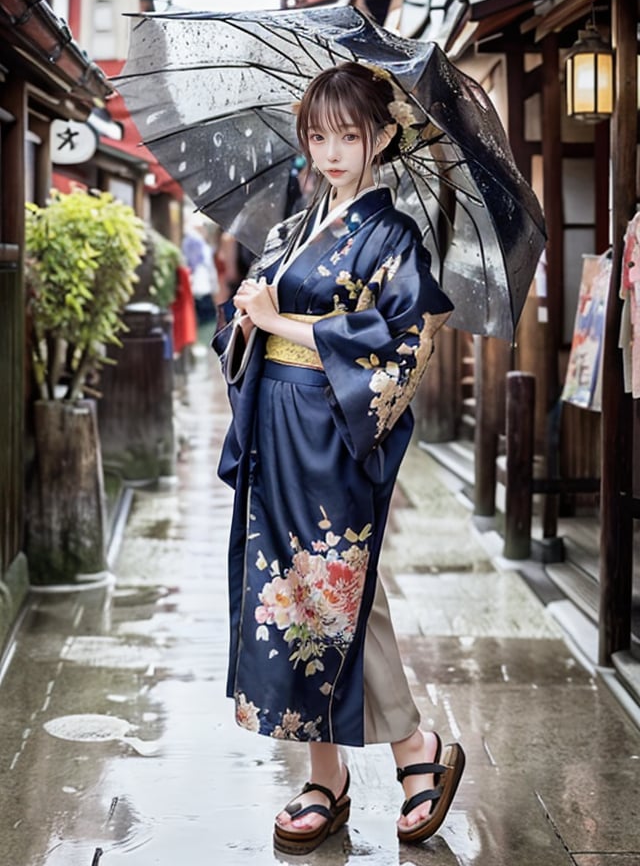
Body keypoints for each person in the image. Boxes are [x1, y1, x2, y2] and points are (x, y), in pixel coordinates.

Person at [213, 61, 464, 855]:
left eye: (347, 136)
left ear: (382, 136)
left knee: (335, 591)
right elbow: (251, 315)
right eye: (317, 135)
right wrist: (249, 322)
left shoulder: (393, 236)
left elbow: (402, 343)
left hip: (334, 427)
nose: (329, 151)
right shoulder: (299, 224)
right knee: (295, 595)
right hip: (277, 423)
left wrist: (281, 321)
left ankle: (388, 759)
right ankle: (331, 771)